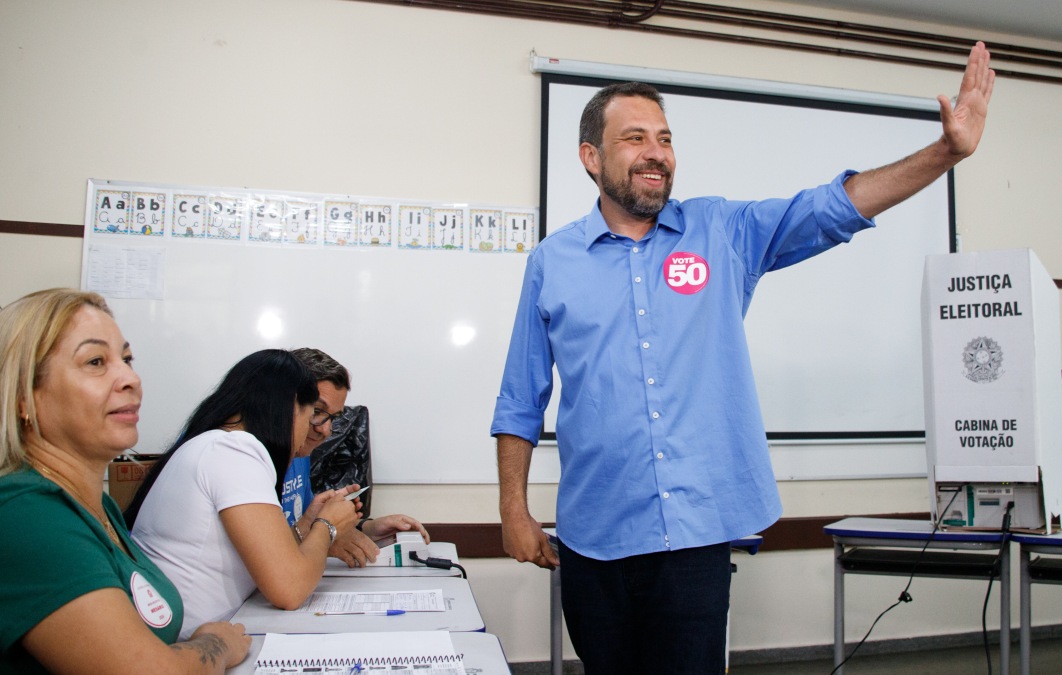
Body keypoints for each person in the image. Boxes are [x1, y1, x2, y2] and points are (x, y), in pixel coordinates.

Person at [491, 43, 995, 673]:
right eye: (635, 138)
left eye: (666, 138)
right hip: (596, 538)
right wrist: (514, 509)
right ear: (591, 157)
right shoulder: (551, 263)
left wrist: (945, 152)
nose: (656, 152)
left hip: (697, 535)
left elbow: (833, 207)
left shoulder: (722, 232)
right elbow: (520, 397)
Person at [0, 288, 250, 673]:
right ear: (24, 397)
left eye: (128, 358)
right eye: (96, 361)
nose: (130, 378)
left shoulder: (98, 508)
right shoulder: (27, 512)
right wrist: (217, 644)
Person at [125, 349, 360, 639]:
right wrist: (327, 527)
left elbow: (268, 557)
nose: (318, 430)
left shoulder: (217, 445)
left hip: (202, 632)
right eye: (312, 412)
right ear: (284, 406)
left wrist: (307, 523)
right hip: (184, 644)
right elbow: (290, 589)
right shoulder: (235, 452)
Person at [280, 347, 429, 568]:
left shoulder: (301, 454)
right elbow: (277, 553)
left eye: (334, 418)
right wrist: (325, 533)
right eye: (317, 411)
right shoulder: (254, 460)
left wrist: (366, 528)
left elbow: (304, 526)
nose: (326, 430)